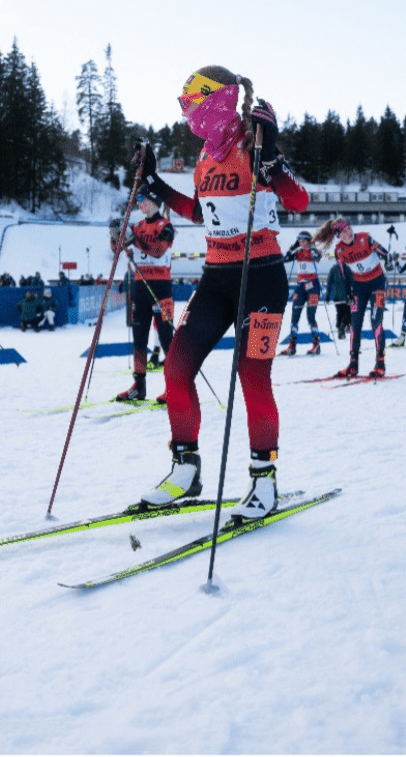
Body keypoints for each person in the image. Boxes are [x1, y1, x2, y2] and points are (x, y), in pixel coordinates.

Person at [131, 65, 308, 519]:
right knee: (175, 371)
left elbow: (298, 201)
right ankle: (185, 470)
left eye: (191, 103)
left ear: (216, 101)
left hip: (261, 277)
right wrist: (155, 186)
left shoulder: (253, 143)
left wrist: (272, 160)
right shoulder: (206, 157)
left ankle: (263, 482)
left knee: (252, 378)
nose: (187, 113)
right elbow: (199, 212)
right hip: (216, 278)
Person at [113, 194, 176, 402]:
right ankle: (138, 386)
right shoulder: (137, 225)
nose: (141, 205)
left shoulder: (165, 225)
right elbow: (117, 248)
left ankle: (174, 387)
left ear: (155, 202)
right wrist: (116, 235)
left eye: (145, 201)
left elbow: (159, 250)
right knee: (139, 338)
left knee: (166, 338)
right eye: (139, 202)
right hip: (140, 286)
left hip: (160, 287)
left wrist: (134, 242)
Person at [314, 218, 391, 376]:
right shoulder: (339, 250)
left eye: (349, 228)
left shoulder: (365, 238)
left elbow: (383, 252)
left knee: (376, 321)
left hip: (377, 284)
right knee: (355, 324)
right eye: (343, 232)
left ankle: (380, 363)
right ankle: (353, 363)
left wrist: (388, 259)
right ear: (338, 236)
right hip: (359, 287)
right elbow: (343, 274)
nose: (348, 233)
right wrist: (348, 292)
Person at [282, 230, 324, 356]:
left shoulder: (313, 251)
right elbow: (286, 259)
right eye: (300, 242)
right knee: (294, 316)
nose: (302, 244)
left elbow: (318, 257)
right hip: (300, 287)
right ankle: (292, 346)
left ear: (309, 241)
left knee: (310, 316)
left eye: (304, 241)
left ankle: (316, 345)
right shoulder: (297, 252)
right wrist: (292, 249)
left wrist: (313, 249)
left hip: (313, 287)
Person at [326, 255, 350, 340]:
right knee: (348, 314)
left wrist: (327, 295)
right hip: (345, 296)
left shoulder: (333, 269)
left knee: (340, 313)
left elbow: (329, 283)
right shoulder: (347, 268)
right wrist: (351, 294)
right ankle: (342, 328)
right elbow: (352, 281)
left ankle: (340, 331)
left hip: (336, 296)